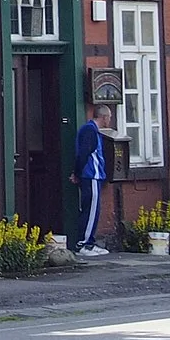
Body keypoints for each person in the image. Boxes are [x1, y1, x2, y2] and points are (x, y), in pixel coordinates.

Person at [71, 103, 109, 257]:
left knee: (92, 208)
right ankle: (85, 244)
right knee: (91, 210)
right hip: (91, 175)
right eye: (109, 117)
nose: (109, 121)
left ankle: (88, 242)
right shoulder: (90, 131)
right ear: (104, 117)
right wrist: (78, 173)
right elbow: (84, 154)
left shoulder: (91, 130)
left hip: (91, 175)